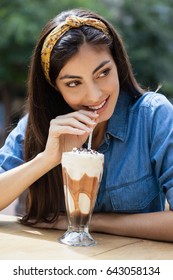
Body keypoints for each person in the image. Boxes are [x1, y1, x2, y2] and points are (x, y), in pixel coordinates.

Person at [0, 8, 173, 242]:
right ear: (55, 87)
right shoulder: (39, 126)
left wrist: (86, 221)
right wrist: (48, 158)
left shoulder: (153, 117)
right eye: (73, 83)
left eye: (103, 73)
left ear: (118, 64)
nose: (93, 96)